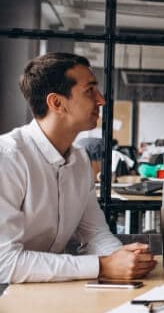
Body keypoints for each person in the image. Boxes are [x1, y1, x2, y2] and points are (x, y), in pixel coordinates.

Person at [0, 53, 156, 283]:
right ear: (57, 103)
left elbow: (94, 233)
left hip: (44, 290)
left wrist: (123, 259)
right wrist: (102, 266)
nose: (101, 100)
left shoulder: (80, 160)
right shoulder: (8, 158)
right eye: (90, 90)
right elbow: (4, 263)